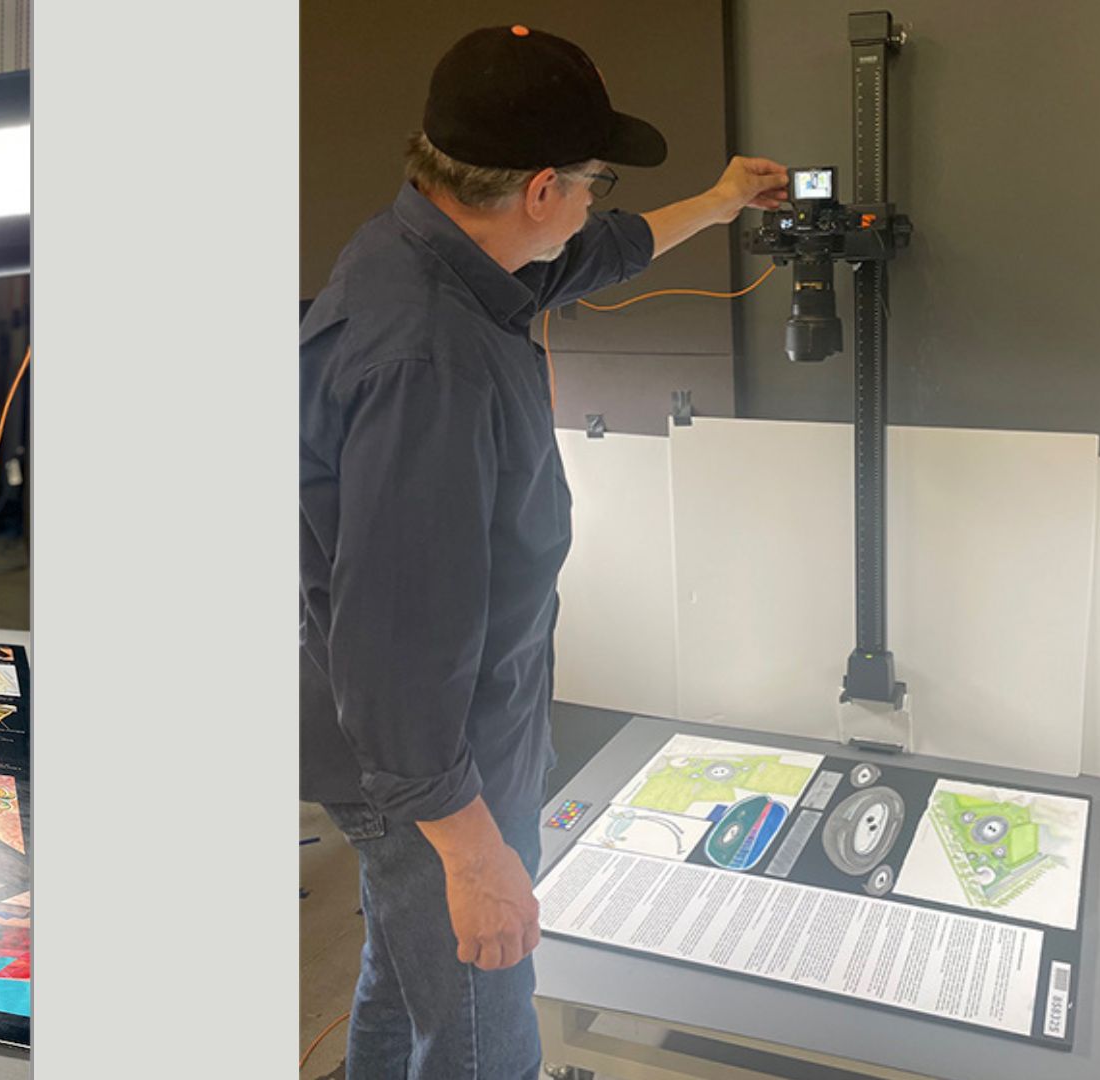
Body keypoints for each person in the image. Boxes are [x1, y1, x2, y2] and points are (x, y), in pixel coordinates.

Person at [299, 26, 786, 1079]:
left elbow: (595, 254)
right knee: (483, 1013)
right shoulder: (429, 364)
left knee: (408, 961)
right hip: (431, 757)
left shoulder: (433, 249)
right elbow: (394, 648)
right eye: (594, 183)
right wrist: (475, 854)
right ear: (538, 191)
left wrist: (716, 202)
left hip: (419, 743)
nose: (594, 206)